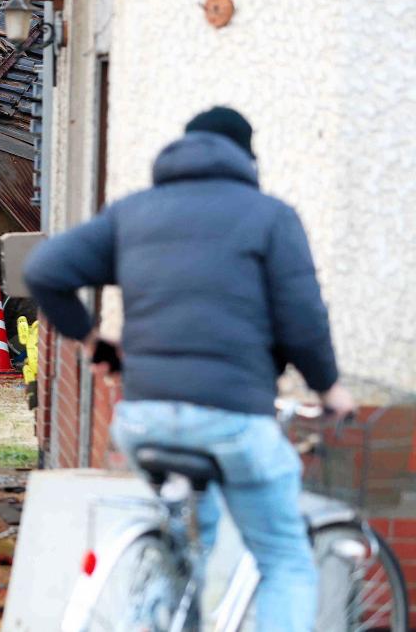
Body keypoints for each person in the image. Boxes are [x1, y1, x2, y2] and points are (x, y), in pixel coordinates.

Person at [24, 106, 355, 632]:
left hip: (143, 418)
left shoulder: (133, 213)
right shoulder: (269, 216)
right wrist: (329, 388)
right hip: (232, 418)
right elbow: (303, 322)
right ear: (247, 157)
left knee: (191, 543)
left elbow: (43, 269)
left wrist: (93, 340)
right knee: (284, 559)